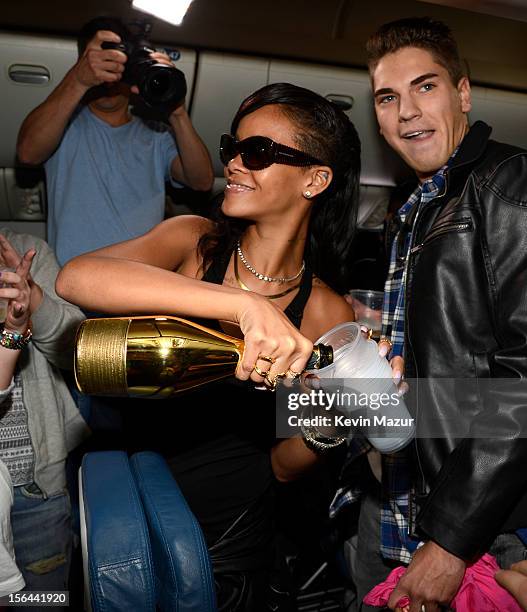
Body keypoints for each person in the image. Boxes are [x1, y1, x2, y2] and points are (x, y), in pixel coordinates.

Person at [56, 82, 360, 609]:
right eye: (232, 149)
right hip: (135, 509)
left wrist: (337, 415)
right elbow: (77, 278)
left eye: (257, 152)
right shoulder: (195, 244)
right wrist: (243, 307)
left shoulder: (327, 312)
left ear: (315, 179)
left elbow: (285, 466)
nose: (235, 164)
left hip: (230, 540)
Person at [349, 16, 527, 612]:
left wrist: (451, 540)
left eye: (425, 87)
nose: (406, 112)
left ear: (464, 94)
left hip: (489, 527)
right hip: (415, 502)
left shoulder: (508, 184)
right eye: (387, 97)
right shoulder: (410, 215)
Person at [16, 16, 213, 266]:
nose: (110, 78)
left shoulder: (156, 134)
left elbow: (202, 180)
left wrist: (176, 111)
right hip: (70, 294)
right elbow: (27, 152)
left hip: (140, 293)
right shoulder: (63, 124)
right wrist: (78, 79)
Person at [0, 229, 88, 601]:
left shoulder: (25, 249)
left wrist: (31, 302)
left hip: (36, 495)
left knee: (43, 601)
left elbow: (76, 349)